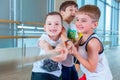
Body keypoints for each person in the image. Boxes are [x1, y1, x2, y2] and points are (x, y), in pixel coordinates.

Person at [70, 5, 113, 80]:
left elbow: (92, 68)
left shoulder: (93, 42)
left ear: (94, 25)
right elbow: (77, 58)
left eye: (83, 20)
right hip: (88, 75)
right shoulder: (80, 36)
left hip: (100, 78)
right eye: (77, 19)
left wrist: (76, 54)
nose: (79, 23)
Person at [31, 12, 68, 80]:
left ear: (61, 28)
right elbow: (45, 45)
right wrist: (51, 51)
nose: (53, 26)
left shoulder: (61, 41)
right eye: (49, 24)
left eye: (56, 24)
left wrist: (62, 45)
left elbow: (63, 57)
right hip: (40, 72)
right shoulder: (44, 38)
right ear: (45, 27)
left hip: (55, 74)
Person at [59, 1, 79, 80]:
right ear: (62, 12)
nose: (74, 12)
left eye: (76, 11)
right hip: (60, 66)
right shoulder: (57, 25)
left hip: (70, 64)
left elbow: (73, 44)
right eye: (71, 10)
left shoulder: (73, 26)